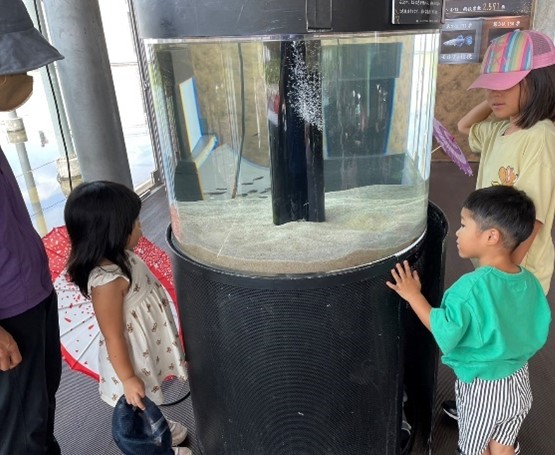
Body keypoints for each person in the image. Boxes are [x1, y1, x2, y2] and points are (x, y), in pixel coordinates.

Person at [442, 28, 555, 422]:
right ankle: (480, 400)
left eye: (506, 84)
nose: (493, 94)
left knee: (503, 346)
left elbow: (534, 220)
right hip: (494, 264)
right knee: (490, 337)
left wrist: (508, 278)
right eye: (490, 85)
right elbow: (462, 127)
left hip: (516, 272)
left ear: (538, 83)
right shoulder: (499, 130)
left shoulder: (539, 137)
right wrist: (495, 101)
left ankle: (495, 414)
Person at [387, 185, 551, 455]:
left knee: (474, 449)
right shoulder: (529, 281)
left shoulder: (470, 288)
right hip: (519, 384)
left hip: (482, 391)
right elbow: (539, 325)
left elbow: (445, 331)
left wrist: (413, 295)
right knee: (503, 445)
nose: (459, 233)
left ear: (491, 236)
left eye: (464, 225)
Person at [64, 181, 191, 455]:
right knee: (137, 399)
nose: (141, 228)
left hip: (148, 347)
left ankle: (156, 421)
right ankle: (152, 446)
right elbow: (113, 335)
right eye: (135, 223)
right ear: (113, 233)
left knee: (147, 396)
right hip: (132, 358)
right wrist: (128, 377)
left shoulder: (122, 256)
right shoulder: (106, 283)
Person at [0, 1, 65, 453]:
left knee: (41, 412)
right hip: (7, 313)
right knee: (21, 434)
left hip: (32, 293)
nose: (25, 80)